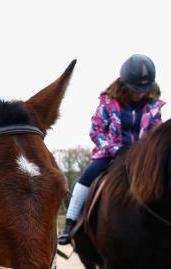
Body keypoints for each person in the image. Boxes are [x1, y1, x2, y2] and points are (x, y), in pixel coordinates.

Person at [58, 54, 165, 244]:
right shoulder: (107, 103)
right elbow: (96, 131)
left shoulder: (153, 107)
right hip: (110, 154)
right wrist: (115, 149)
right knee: (86, 178)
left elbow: (156, 131)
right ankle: (70, 223)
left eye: (143, 89)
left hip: (141, 156)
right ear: (124, 84)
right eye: (135, 89)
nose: (139, 93)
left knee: (167, 175)